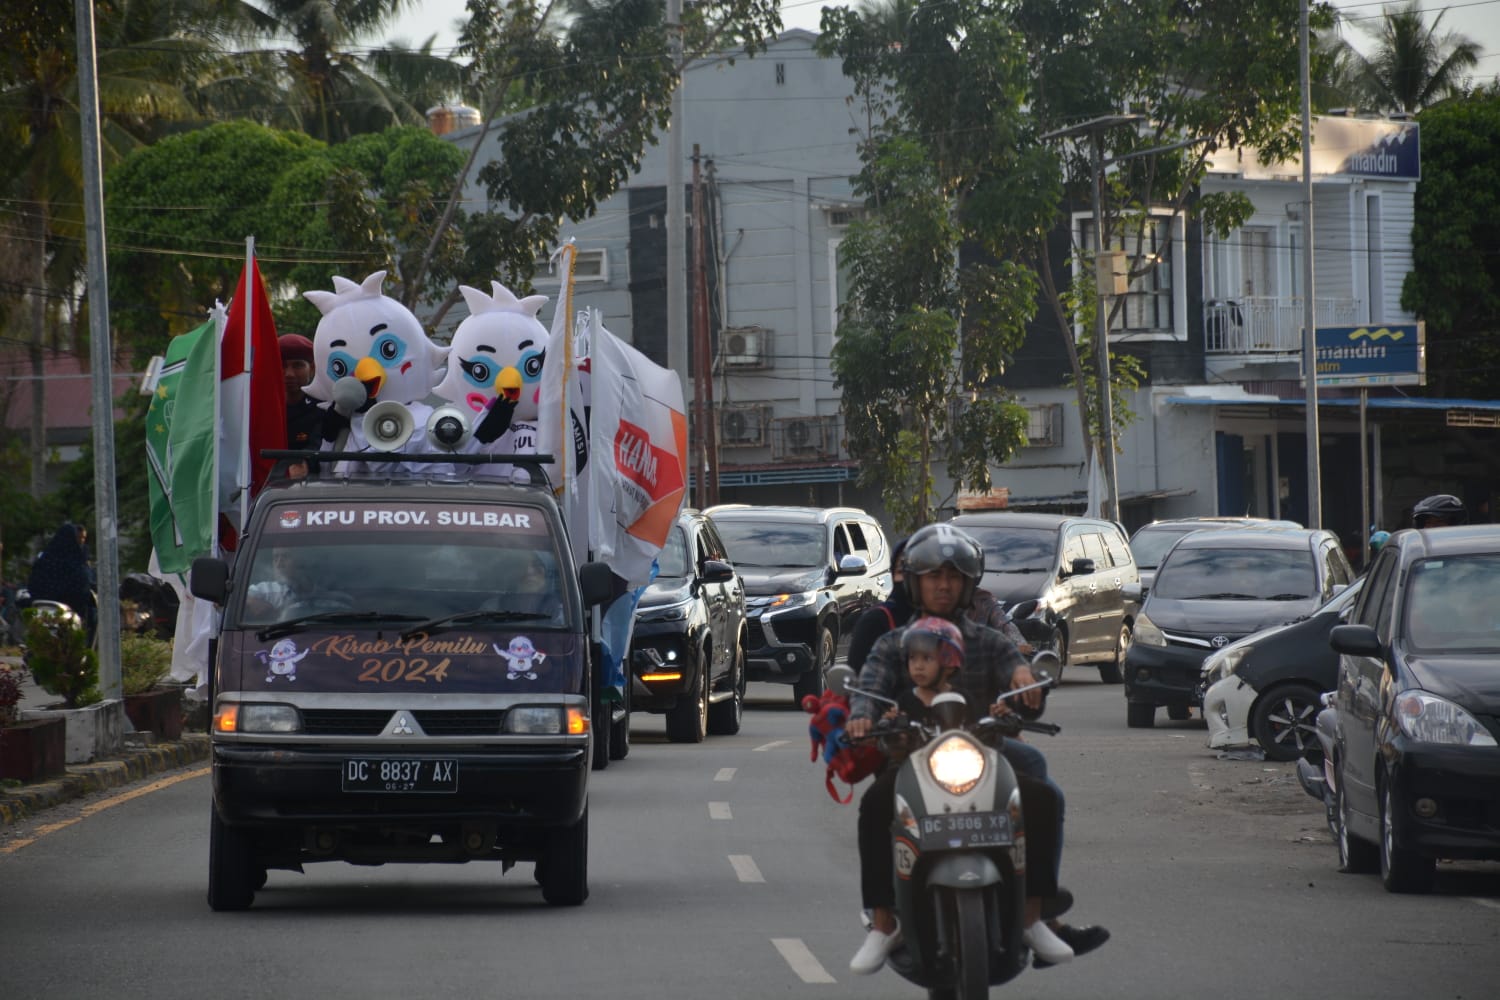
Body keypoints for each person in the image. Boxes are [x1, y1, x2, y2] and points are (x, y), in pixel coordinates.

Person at [846, 524, 1107, 974]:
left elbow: (1016, 670)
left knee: (1044, 797)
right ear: (914, 581)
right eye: (933, 576)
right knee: (874, 806)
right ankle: (883, 921)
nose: (943, 585)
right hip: (912, 756)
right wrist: (862, 714)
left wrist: (1025, 683)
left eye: (953, 576)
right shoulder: (895, 644)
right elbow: (868, 687)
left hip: (984, 754)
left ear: (968, 584)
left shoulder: (989, 639)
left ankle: (1034, 914)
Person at [26, 523, 97, 641]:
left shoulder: (46, 558)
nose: (81, 541)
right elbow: (82, 583)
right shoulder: (75, 561)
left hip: (43, 605)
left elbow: (33, 583)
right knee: (91, 619)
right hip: (68, 606)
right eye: (79, 538)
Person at [279, 333, 322, 479]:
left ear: (312, 368)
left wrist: (305, 464)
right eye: (282, 365)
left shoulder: (321, 408)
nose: (289, 374)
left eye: (297, 365)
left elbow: (318, 447)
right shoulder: (260, 409)